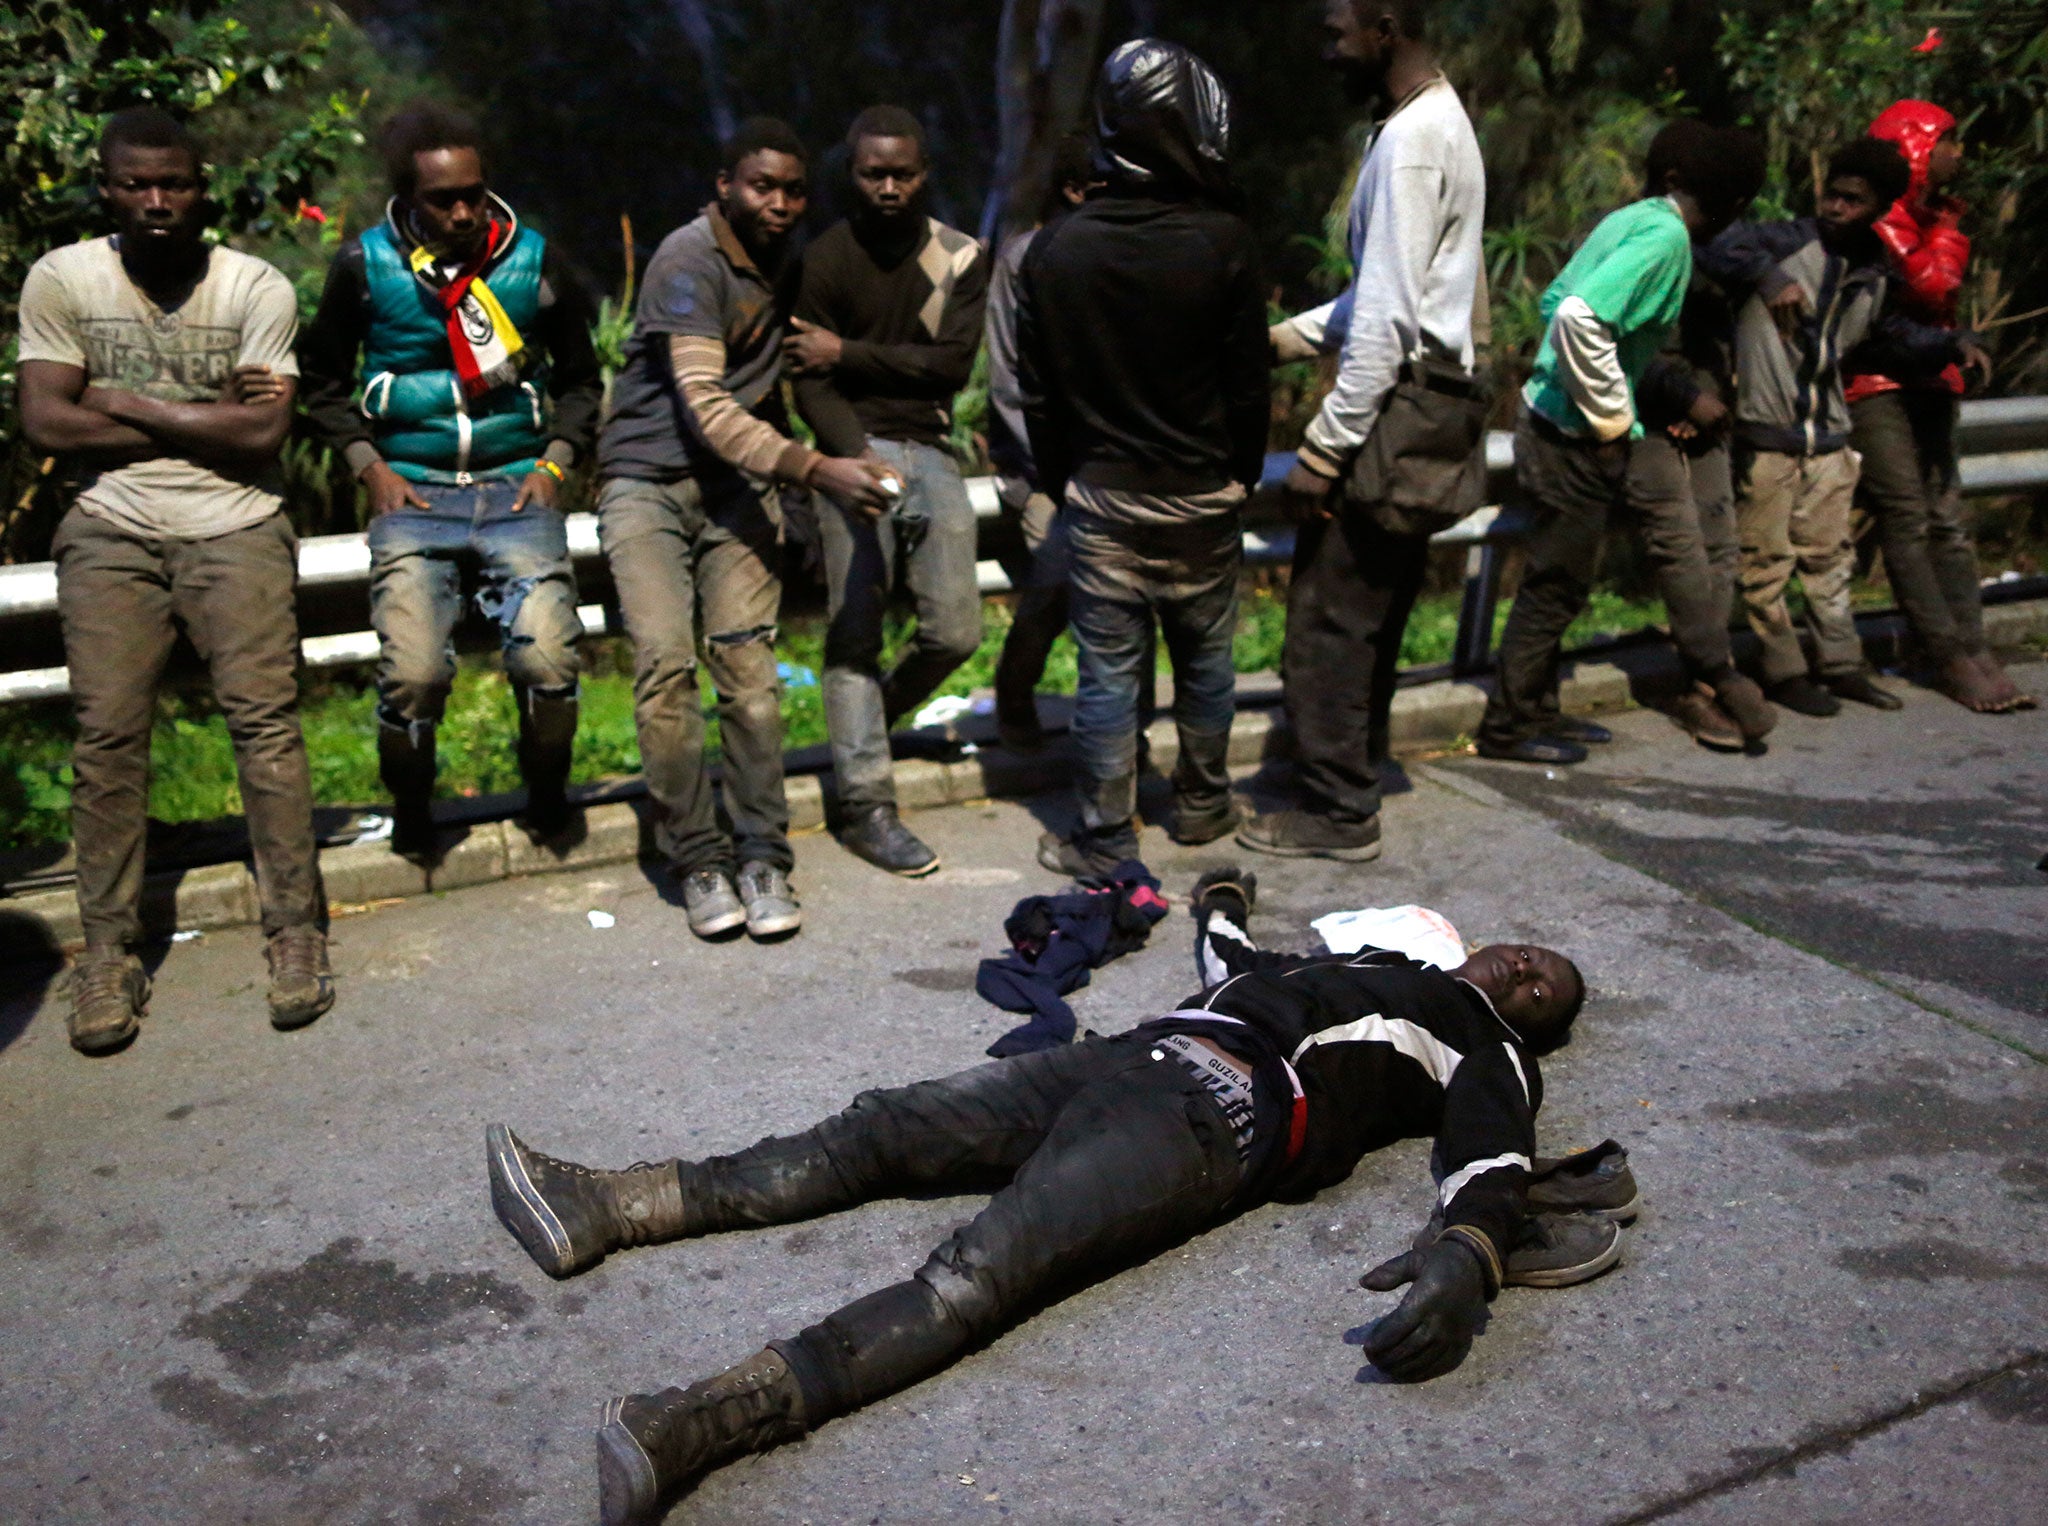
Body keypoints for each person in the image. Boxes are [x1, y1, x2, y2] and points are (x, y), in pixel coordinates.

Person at [485, 869, 1612, 1524]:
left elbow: (1490, 1154)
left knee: (978, 1269)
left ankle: (697, 1421)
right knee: (881, 1126)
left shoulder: (1486, 1046)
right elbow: (1229, 958)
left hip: (1213, 1116)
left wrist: (1465, 1249)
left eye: (1539, 987)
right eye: (1524, 953)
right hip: (1136, 1052)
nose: (1521, 969)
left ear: (1532, 1021)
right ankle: (612, 1202)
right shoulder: (1380, 968)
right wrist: (1219, 894)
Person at [18, 107, 333, 1054]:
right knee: (108, 735)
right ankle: (109, 950)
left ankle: (296, 932)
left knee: (265, 725)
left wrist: (115, 398)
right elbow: (47, 424)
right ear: (105, 188)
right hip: (111, 524)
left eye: (177, 184)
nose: (158, 202)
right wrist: (196, 414)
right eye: (136, 184)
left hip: (236, 522)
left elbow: (262, 437)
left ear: (205, 188)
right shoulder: (64, 278)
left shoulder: (254, 285)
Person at [594, 119, 891, 941]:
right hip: (646, 481)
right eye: (764, 186)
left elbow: (778, 378)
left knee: (749, 670)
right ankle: (698, 857)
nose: (781, 203)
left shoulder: (789, 259)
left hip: (736, 487)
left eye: (795, 190)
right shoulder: (688, 259)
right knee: (663, 668)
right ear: (726, 184)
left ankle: (763, 854)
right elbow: (710, 408)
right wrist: (818, 471)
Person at [298, 102, 603, 862]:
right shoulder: (364, 267)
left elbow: (583, 381)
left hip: (515, 486)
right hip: (415, 492)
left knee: (548, 660)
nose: (462, 212)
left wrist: (554, 464)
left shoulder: (533, 261)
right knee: (414, 675)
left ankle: (545, 792)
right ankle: (411, 805)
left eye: (472, 193)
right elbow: (323, 382)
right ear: (408, 195)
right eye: (442, 199)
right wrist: (371, 470)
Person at [1241, 0, 1488, 859]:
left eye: (1334, 33)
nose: (1327, 52)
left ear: (1384, 26)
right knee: (1374, 606)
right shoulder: (1433, 121)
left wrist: (1323, 447)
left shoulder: (1413, 142)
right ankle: (1355, 767)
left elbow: (1387, 320)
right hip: (1425, 401)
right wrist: (1288, 338)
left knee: (1330, 616)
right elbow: (1389, 293)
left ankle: (1339, 810)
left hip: (1392, 410)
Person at [1018, 40, 1270, 878]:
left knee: (1107, 679)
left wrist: (1068, 482)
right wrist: (1239, 473)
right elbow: (1247, 387)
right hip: (1202, 496)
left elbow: (1041, 398)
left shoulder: (1055, 251)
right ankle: (1201, 808)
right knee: (1207, 663)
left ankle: (1107, 837)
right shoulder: (1226, 242)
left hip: (1103, 502)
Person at [1477, 122, 1765, 764]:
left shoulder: (1632, 219)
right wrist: (1611, 422)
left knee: (1565, 582)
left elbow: (1557, 298)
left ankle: (1538, 708)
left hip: (1553, 417)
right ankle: (1507, 726)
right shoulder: (1666, 241)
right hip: (1570, 436)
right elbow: (1581, 315)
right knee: (1553, 587)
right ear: (1731, 204)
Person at [1703, 136, 1988, 718]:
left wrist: (1952, 344)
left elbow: (1887, 340)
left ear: (1880, 208)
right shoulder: (1778, 243)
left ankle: (1841, 665)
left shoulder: (1877, 272)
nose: (1836, 209)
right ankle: (1784, 670)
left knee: (1831, 561)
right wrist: (1763, 279)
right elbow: (1712, 244)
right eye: (1832, 196)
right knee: (1765, 565)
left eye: (1852, 201)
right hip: (1768, 431)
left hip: (1827, 433)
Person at [789, 106, 992, 878]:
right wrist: (857, 458)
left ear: (924, 173)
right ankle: (867, 804)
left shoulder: (959, 257)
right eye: (874, 173)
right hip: (852, 447)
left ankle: (868, 723)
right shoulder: (826, 258)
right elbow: (810, 383)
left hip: (933, 447)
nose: (888, 187)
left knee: (956, 631)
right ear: (853, 173)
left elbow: (948, 368)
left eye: (902, 173)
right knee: (853, 634)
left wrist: (848, 349)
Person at [1845, 101, 2034, 714]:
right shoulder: (1878, 218)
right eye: (1948, 143)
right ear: (1917, 147)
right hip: (1875, 384)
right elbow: (1931, 285)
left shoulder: (1934, 216)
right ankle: (1947, 653)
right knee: (1907, 515)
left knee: (1948, 518)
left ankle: (1972, 646)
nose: (1959, 155)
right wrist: (1946, 231)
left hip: (1929, 379)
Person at [1628, 171, 1781, 752]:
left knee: (1719, 541)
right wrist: (1680, 396)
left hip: (1705, 402)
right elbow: (1620, 334)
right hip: (1645, 407)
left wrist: (1706, 397)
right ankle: (1706, 675)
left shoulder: (1725, 248)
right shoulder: (1641, 235)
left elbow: (1716, 337)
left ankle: (1707, 678)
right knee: (1681, 543)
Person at [985, 132, 1098, 753]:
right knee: (1065, 577)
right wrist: (1059, 469)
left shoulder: (1111, 256)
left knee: (1113, 607)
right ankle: (1015, 686)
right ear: (1075, 191)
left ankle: (1119, 746)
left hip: (1105, 468)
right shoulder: (1021, 259)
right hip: (1041, 470)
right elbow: (1007, 383)